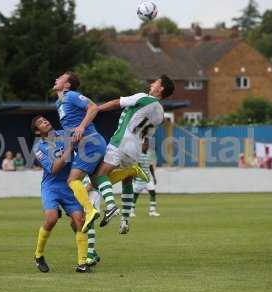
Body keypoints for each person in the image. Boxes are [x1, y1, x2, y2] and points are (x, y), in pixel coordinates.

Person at [93, 75, 175, 234]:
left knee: (100, 175)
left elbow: (117, 103)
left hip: (122, 140)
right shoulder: (160, 113)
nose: (152, 83)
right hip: (136, 147)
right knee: (127, 179)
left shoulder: (144, 98)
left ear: (161, 88)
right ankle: (125, 220)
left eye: (155, 82)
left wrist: (97, 109)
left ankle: (110, 206)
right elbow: (148, 136)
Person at [32, 115, 91, 273]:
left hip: (69, 184)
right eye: (41, 123)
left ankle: (82, 263)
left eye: (45, 119)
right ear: (38, 131)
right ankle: (39, 256)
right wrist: (70, 148)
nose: (45, 122)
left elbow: (82, 142)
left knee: (80, 220)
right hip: (51, 186)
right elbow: (53, 169)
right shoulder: (38, 148)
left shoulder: (65, 134)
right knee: (51, 219)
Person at [53, 71, 106, 233]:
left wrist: (82, 126)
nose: (56, 78)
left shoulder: (71, 96)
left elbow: (93, 107)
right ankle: (129, 171)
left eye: (60, 77)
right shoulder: (59, 103)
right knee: (97, 181)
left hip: (89, 143)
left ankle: (90, 210)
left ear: (67, 85)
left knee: (72, 180)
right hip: (84, 146)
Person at [132, 138, 160, 217]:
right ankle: (131, 211)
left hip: (148, 180)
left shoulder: (149, 155)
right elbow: (137, 167)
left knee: (153, 193)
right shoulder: (139, 155)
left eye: (147, 145)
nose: (147, 146)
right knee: (135, 195)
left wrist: (154, 177)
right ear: (142, 145)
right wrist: (134, 177)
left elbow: (150, 166)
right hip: (139, 180)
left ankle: (152, 211)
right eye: (145, 145)